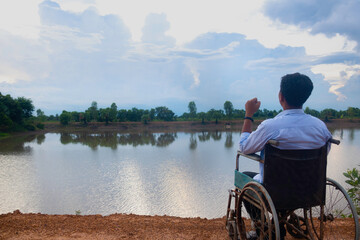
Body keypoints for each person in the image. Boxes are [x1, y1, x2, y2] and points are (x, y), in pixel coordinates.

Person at [239, 72, 332, 239]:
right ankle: (279, 222)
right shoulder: (320, 127)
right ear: (306, 97)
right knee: (281, 180)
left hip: (276, 191)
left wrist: (249, 115)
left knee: (244, 179)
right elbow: (324, 153)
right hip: (310, 189)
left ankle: (268, 230)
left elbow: (244, 148)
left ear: (280, 96)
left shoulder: (271, 126)